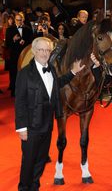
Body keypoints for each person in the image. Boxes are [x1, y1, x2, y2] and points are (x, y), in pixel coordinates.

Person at [15, 37, 85, 191]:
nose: (44, 53)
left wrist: (73, 72)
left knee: (41, 159)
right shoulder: (25, 73)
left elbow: (56, 84)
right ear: (34, 51)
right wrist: (21, 128)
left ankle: (34, 186)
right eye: (41, 49)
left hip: (47, 124)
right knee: (28, 161)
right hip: (31, 126)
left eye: (47, 50)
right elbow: (19, 101)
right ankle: (24, 187)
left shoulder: (51, 69)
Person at [5, 12, 33, 97]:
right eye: (17, 20)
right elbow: (7, 44)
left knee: (25, 74)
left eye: (20, 20)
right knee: (14, 73)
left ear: (23, 20)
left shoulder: (28, 29)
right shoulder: (9, 29)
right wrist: (13, 39)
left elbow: (31, 42)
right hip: (14, 55)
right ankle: (14, 91)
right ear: (14, 20)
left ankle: (26, 92)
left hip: (25, 56)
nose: (19, 22)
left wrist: (25, 42)